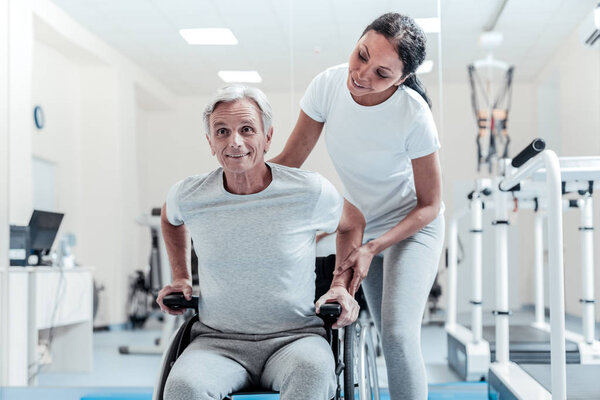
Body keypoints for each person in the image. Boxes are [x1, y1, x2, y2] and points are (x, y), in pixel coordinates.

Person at [270, 12, 444, 400]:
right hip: (366, 226)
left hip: (412, 227)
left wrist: (372, 247)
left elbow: (430, 205)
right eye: (361, 55)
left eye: (382, 73)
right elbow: (290, 162)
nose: (363, 73)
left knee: (398, 335)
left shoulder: (414, 114)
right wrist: (235, 182)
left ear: (401, 79)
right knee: (382, 331)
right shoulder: (327, 86)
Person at [156, 85, 365, 400]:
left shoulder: (308, 190)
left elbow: (352, 223)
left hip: (296, 340)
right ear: (210, 142)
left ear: (267, 137)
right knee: (183, 388)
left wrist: (339, 285)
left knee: (314, 375)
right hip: (216, 343)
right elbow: (169, 219)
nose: (235, 141)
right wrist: (180, 277)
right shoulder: (190, 194)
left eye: (247, 129)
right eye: (222, 131)